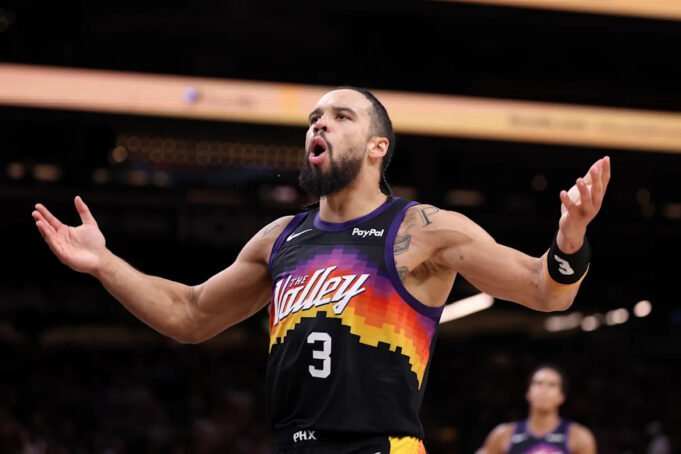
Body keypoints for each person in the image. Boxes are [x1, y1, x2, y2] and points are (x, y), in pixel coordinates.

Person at [32, 86, 611, 453]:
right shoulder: (280, 238)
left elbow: (545, 290)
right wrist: (104, 263)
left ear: (378, 147)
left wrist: (570, 239)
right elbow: (189, 314)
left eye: (340, 116)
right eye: (314, 117)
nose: (319, 124)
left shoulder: (423, 229)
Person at [477, 364, 597, 454]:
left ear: (561, 397)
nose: (543, 390)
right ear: (528, 393)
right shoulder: (503, 435)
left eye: (551, 385)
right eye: (538, 383)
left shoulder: (578, 437)